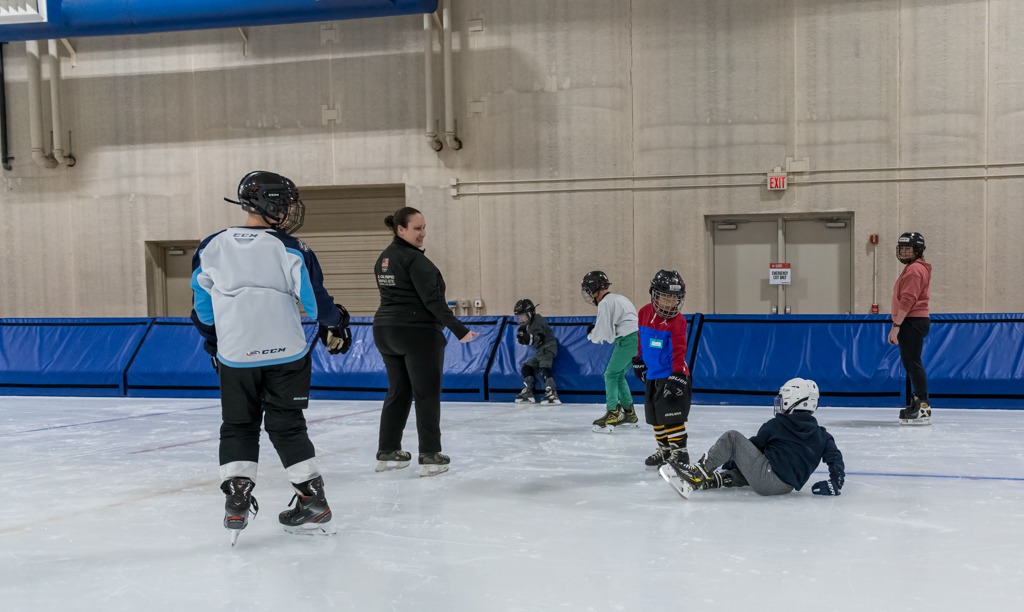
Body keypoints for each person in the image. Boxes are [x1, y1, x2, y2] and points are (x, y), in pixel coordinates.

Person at [191, 170, 351, 544]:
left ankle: (237, 497)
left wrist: (215, 341)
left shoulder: (210, 245)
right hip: (287, 354)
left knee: (238, 425)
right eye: (286, 202)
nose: (290, 211)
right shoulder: (292, 247)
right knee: (288, 426)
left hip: (236, 355)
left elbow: (202, 308)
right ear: (270, 201)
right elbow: (315, 304)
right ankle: (313, 500)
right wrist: (338, 321)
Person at [373, 207, 479, 476]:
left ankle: (388, 450)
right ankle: (430, 455)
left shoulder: (384, 258)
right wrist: (459, 329)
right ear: (401, 230)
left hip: (386, 331)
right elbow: (434, 301)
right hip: (417, 334)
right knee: (426, 394)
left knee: (398, 391)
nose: (423, 233)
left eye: (424, 227)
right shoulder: (416, 261)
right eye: (417, 229)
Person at [660, 378, 845, 500]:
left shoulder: (777, 424)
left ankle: (698, 473)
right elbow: (835, 459)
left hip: (767, 480)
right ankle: (718, 480)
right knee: (759, 467)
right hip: (786, 487)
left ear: (794, 400)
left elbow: (752, 447)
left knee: (732, 438)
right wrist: (835, 483)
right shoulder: (823, 435)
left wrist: (729, 462)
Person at [632, 270, 692, 467]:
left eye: (675, 298)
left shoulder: (678, 322)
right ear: (655, 294)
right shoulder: (643, 313)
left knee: (671, 417)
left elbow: (680, 351)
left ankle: (680, 453)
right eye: (666, 296)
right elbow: (641, 339)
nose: (670, 302)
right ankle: (665, 451)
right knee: (655, 417)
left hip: (672, 375)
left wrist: (677, 376)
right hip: (653, 375)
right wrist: (639, 359)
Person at [582, 271, 640, 432]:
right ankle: (629, 413)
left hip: (628, 339)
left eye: (588, 290)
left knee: (610, 375)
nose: (588, 294)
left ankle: (612, 413)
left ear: (594, 288)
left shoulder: (605, 303)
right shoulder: (620, 298)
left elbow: (604, 333)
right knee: (618, 375)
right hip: (637, 339)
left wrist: (591, 334)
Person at [889, 232, 933, 425]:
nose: (904, 252)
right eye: (902, 248)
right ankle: (917, 402)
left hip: (912, 321)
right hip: (912, 320)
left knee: (913, 363)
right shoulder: (913, 268)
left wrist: (896, 326)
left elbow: (908, 299)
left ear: (918, 250)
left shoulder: (915, 270)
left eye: (909, 248)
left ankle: (923, 405)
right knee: (910, 363)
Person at [512, 298, 560, 404]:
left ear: (530, 314)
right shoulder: (530, 322)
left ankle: (552, 392)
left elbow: (539, 337)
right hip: (540, 351)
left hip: (548, 347)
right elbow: (526, 327)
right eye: (519, 317)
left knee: (544, 368)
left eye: (523, 316)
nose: (521, 319)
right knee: (526, 367)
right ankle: (529, 390)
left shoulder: (538, 321)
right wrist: (522, 330)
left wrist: (528, 338)